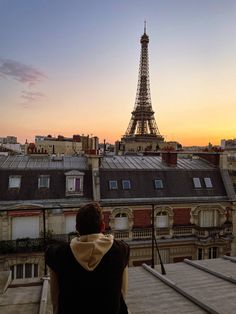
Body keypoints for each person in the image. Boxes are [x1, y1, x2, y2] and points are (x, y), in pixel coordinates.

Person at [45, 202, 130, 314]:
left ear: (77, 228)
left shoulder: (58, 254)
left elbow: (55, 297)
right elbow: (123, 292)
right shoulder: (121, 250)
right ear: (102, 226)